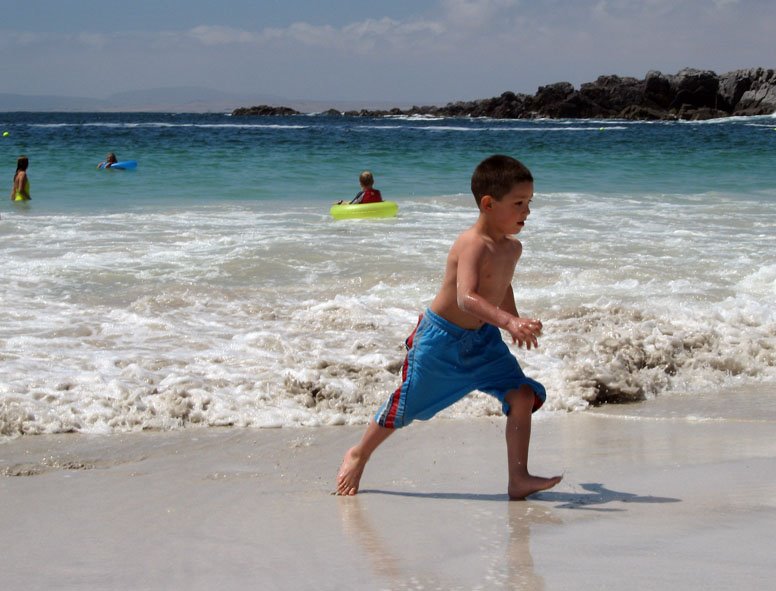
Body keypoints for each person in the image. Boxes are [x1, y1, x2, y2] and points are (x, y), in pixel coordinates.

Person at [336, 154, 562, 499]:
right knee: (405, 407)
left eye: (529, 202)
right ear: (488, 203)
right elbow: (466, 298)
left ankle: (519, 479)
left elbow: (502, 287)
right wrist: (509, 321)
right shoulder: (471, 244)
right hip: (440, 343)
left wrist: (514, 321)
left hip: (483, 341)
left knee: (523, 395)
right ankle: (359, 453)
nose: (527, 211)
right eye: (518, 203)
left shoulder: (512, 249)